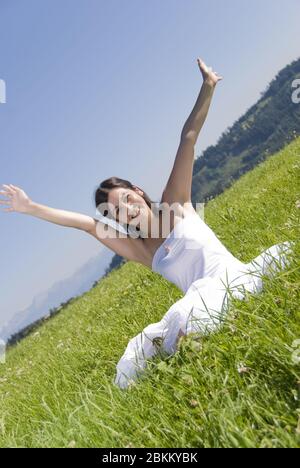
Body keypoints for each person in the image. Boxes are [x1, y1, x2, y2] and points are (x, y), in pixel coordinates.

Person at [0, 58, 294, 389]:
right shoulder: (141, 249)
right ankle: (205, 376)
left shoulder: (176, 204)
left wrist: (208, 86)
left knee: (197, 311)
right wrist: (31, 207)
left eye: (127, 199)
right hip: (200, 300)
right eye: (117, 213)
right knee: (172, 330)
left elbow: (188, 139)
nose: (127, 210)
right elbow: (85, 224)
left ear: (138, 191)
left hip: (236, 279)